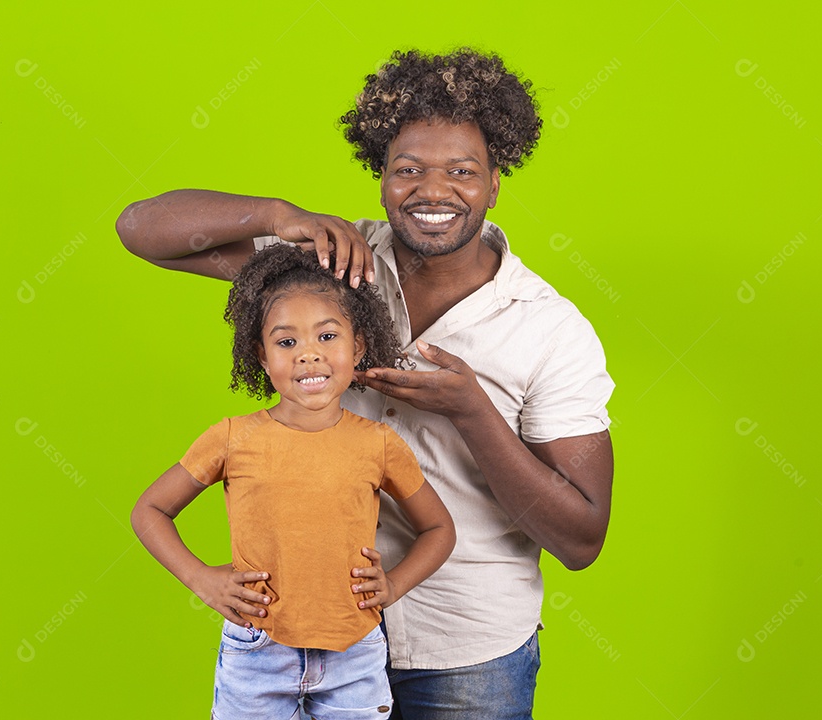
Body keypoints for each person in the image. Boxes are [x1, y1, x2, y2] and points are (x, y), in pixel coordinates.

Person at [119, 48, 615, 719]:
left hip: (467, 651)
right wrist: (273, 215)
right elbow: (141, 230)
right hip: (304, 639)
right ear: (380, 176)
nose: (433, 191)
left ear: (495, 182)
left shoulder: (550, 330)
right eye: (407, 170)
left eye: (462, 172)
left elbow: (581, 539)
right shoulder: (322, 265)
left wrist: (473, 413)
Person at [131, 243, 456, 720]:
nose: (308, 356)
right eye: (287, 343)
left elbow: (439, 529)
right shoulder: (231, 438)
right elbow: (150, 511)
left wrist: (393, 585)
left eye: (327, 337)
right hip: (258, 648)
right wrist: (201, 578)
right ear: (261, 357)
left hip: (355, 651)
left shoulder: (379, 444)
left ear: (358, 346)